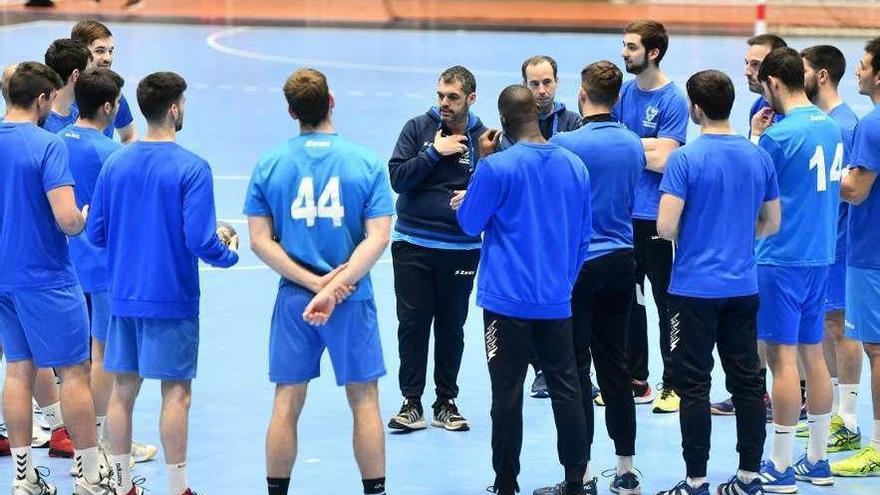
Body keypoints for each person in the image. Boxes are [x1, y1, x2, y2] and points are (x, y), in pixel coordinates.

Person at [86, 71, 239, 495]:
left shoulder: (115, 161)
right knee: (176, 394)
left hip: (123, 296)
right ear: (174, 108)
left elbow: (96, 233)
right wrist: (227, 252)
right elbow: (199, 239)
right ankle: (177, 487)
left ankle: (119, 484)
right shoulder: (192, 168)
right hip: (171, 298)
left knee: (122, 391)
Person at [244, 67, 393, 495]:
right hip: (351, 295)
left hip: (296, 299)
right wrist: (333, 286)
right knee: (364, 400)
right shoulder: (364, 161)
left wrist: (313, 285)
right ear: (331, 101)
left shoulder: (271, 163)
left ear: (291, 111)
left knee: (287, 399)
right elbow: (377, 237)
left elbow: (258, 241)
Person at [457, 84, 591, 495]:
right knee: (567, 389)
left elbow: (468, 222)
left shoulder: (497, 168)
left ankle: (506, 483)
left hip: (505, 302)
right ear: (538, 111)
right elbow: (584, 237)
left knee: (507, 394)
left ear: (502, 122)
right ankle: (575, 481)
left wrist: (481, 162)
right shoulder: (575, 166)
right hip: (555, 299)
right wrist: (563, 282)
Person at [654, 69, 781, 495]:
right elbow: (771, 223)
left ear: (696, 108)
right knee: (747, 381)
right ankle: (748, 477)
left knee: (693, 385)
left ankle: (696, 480)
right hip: (743, 287)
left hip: (693, 290)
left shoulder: (685, 159)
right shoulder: (757, 156)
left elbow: (666, 227)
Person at [1, 60, 111, 495]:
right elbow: (67, 220)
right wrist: (84, 217)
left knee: (17, 370)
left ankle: (24, 478)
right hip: (45, 276)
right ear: (43, 99)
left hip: (3, 278)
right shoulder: (47, 146)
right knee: (74, 373)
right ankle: (88, 476)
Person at [549, 60, 644, 494]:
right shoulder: (632, 144)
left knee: (574, 369)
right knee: (616, 366)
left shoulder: (566, 142)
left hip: (579, 264)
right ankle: (625, 469)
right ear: (619, 98)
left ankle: (581, 475)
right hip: (623, 260)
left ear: (581, 95)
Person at [60, 67, 159, 473]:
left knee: (71, 361)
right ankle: (101, 439)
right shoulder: (113, 155)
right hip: (102, 266)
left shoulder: (54, 142)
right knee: (102, 355)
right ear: (108, 106)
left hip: (63, 264)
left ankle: (78, 437)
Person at [752, 47, 842, 492]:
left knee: (781, 359)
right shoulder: (831, 126)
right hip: (820, 253)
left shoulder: (777, 137)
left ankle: (781, 465)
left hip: (781, 257)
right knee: (813, 354)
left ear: (772, 83)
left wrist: (755, 139)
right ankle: (818, 461)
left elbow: (756, 196)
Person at [386, 66, 487, 432]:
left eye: (453, 97)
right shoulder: (417, 128)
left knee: (451, 326)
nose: (444, 103)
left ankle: (446, 401)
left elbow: (496, 188)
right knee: (412, 325)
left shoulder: (483, 137)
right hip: (413, 243)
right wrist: (433, 152)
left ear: (470, 99)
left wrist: (474, 195)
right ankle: (411, 402)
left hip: (460, 248)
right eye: (441, 96)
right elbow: (398, 178)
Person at [610, 18, 689, 414]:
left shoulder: (673, 99)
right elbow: (631, 150)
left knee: (665, 301)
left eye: (631, 47)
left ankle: (672, 383)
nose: (624, 53)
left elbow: (668, 159)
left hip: (657, 217)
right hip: (623, 217)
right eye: (624, 45)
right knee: (630, 300)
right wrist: (645, 146)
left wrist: (629, 145)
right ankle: (635, 379)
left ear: (652, 52)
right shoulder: (623, 94)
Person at [711, 32, 788, 417]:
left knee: (783, 326)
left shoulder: (790, 114)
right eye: (746, 63)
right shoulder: (760, 106)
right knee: (756, 320)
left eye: (755, 64)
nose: (747, 71)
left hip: (782, 236)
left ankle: (795, 396)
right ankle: (754, 393)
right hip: (757, 235)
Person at [500, 55, 581, 399]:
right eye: (534, 83)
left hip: (559, 229)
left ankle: (574, 368)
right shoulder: (509, 131)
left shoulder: (574, 122)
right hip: (526, 232)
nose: (541, 90)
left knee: (566, 301)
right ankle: (539, 370)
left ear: (557, 82)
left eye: (547, 82)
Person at [797, 44, 862, 453]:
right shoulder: (818, 121)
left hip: (841, 241)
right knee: (824, 323)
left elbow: (855, 190)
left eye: (802, 69)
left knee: (841, 325)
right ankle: (832, 410)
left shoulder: (846, 124)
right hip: (820, 242)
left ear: (821, 75)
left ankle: (849, 416)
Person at [831, 35, 880, 478]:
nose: (858, 71)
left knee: (877, 348)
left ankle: (878, 447)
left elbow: (856, 191)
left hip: (871, 251)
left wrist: (828, 177)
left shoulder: (872, 124)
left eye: (863, 65)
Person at [71, 19, 137, 143]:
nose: (108, 58)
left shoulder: (113, 93)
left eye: (110, 51)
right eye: (100, 51)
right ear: (79, 51)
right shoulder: (58, 97)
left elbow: (129, 136)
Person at [42, 38, 90, 133]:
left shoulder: (79, 116)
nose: (92, 77)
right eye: (89, 72)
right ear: (76, 75)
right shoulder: (40, 123)